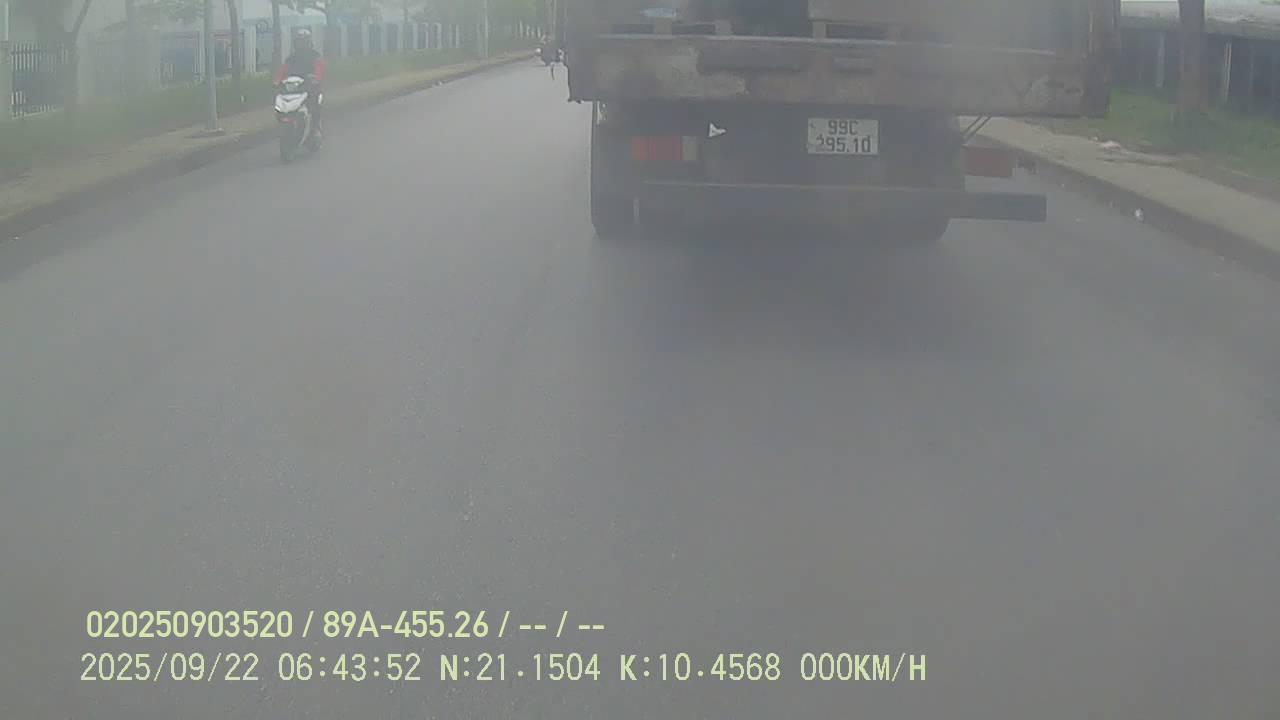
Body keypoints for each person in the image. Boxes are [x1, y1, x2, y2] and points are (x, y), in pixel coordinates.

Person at [275, 28, 327, 138]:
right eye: (299, 42)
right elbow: (282, 71)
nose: (302, 45)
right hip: (294, 88)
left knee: (315, 103)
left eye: (304, 42)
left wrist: (315, 78)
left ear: (309, 42)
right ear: (295, 43)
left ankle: (315, 128)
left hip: (310, 88)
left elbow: (319, 70)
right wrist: (277, 81)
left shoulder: (315, 56)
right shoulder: (291, 59)